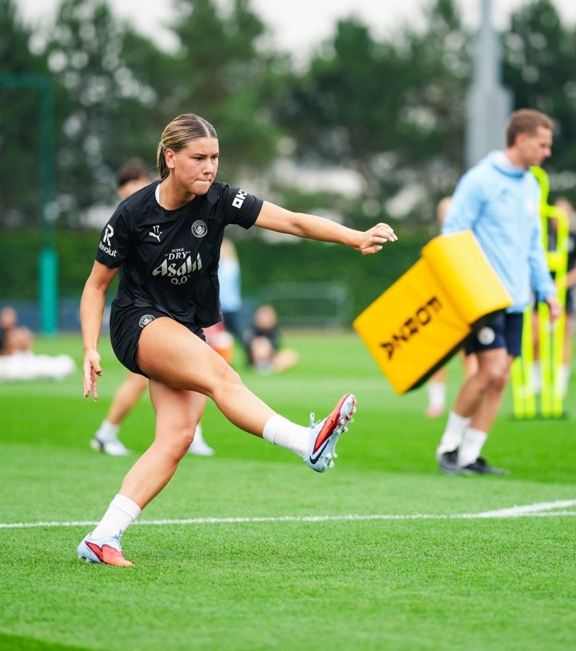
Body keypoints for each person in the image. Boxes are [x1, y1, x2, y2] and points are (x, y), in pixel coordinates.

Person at [77, 113, 397, 566]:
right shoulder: (132, 214)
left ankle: (102, 537)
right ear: (170, 158)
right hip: (137, 322)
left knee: (177, 437)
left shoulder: (221, 200)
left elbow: (294, 223)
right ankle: (307, 443)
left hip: (182, 325)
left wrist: (355, 237)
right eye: (199, 158)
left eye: (215, 158)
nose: (210, 167)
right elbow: (95, 286)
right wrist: (90, 347)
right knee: (219, 372)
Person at [435, 109, 562, 476]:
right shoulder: (480, 180)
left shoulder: (532, 184)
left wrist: (548, 292)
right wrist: (468, 288)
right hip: (484, 297)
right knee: (489, 369)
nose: (547, 152)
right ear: (521, 140)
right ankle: (448, 447)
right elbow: (453, 234)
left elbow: (534, 244)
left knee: (502, 375)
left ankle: (470, 456)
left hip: (518, 299)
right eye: (542, 144)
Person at [90, 161, 215, 457]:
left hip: (175, 309)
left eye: (133, 192)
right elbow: (99, 281)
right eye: (124, 195)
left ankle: (188, 433)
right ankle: (107, 432)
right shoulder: (130, 218)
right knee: (150, 376)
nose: (129, 200)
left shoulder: (169, 207)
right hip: (142, 312)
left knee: (194, 366)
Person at [424, 197, 477, 417]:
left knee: (470, 356)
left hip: (466, 307)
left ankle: (472, 403)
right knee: (436, 358)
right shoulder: (433, 243)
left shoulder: (469, 240)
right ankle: (436, 403)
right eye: (443, 211)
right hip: (442, 308)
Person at [540, 197, 576, 397]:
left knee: (561, 337)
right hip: (541, 294)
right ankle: (536, 383)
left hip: (565, 294)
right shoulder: (544, 237)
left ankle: (559, 385)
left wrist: (562, 283)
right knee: (535, 336)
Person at [245, 303, 299, 374]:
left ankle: (269, 368)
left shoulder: (274, 332)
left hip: (271, 359)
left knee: (290, 354)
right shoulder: (250, 330)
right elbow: (249, 345)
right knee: (261, 344)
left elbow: (275, 348)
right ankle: (261, 366)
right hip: (254, 361)